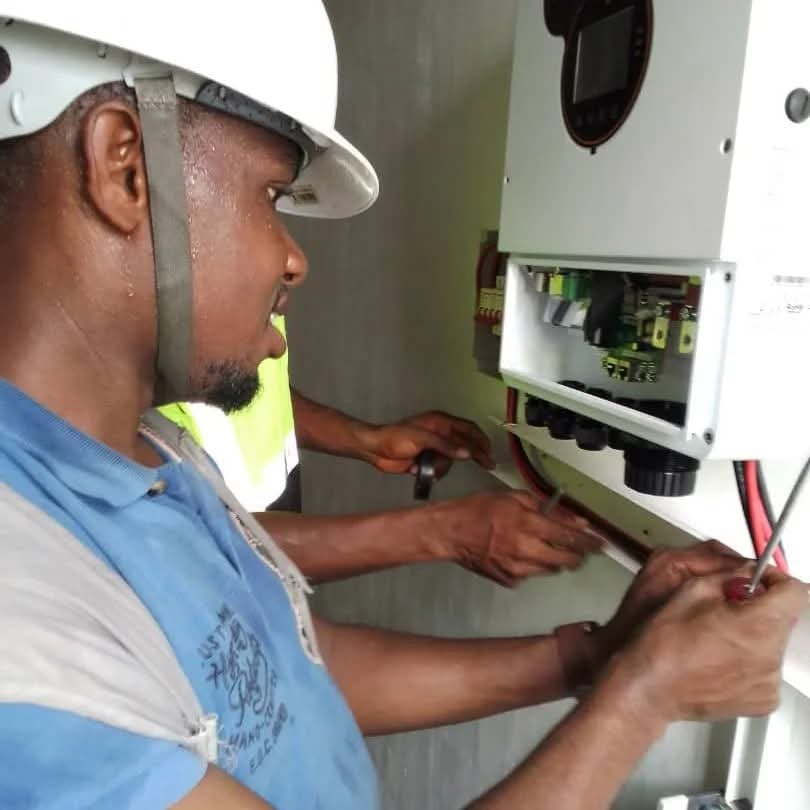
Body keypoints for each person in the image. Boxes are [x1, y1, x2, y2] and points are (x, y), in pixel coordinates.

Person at [0, 5, 805, 810]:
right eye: (271, 194)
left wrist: (599, 658)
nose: (293, 258)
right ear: (126, 169)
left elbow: (280, 673)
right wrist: (643, 698)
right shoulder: (26, 652)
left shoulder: (147, 452)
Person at [161, 337, 605, 587]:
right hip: (211, 595)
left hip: (263, 561)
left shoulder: (244, 266)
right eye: (265, 203)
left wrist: (368, 441)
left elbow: (252, 393)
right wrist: (444, 532)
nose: (296, 261)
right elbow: (189, 543)